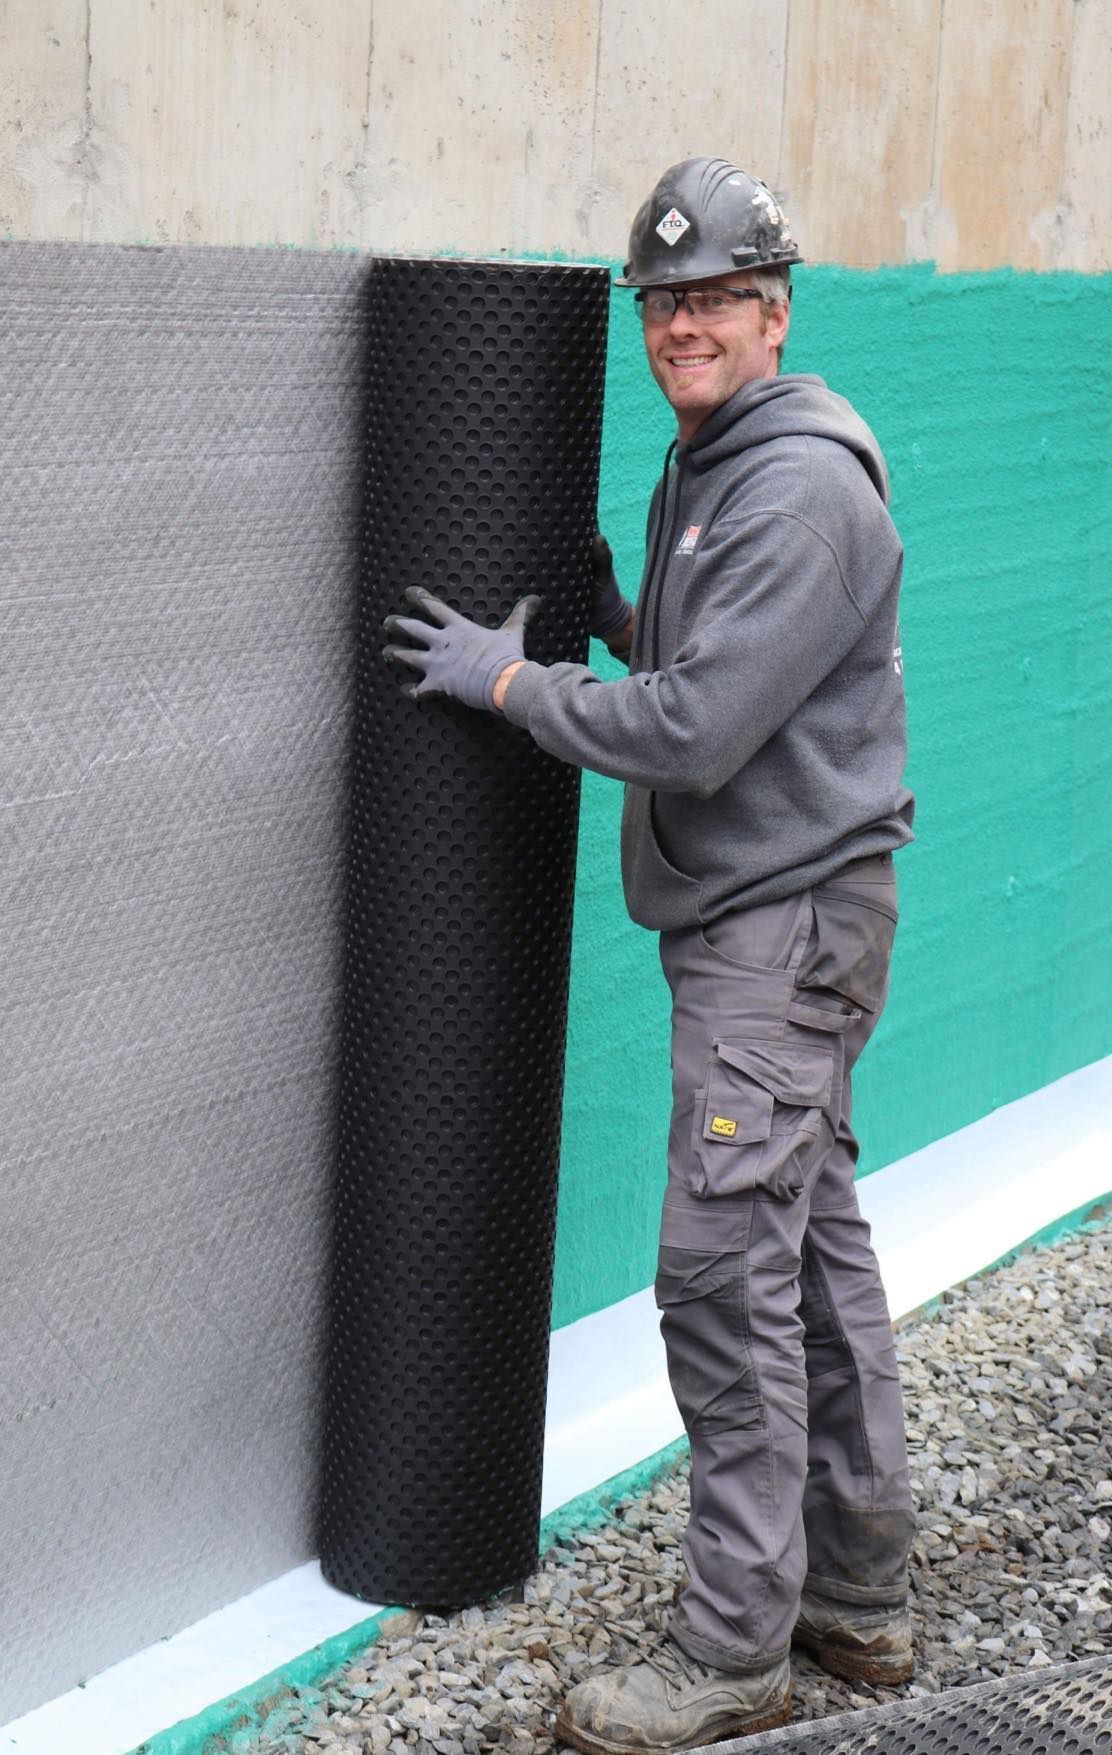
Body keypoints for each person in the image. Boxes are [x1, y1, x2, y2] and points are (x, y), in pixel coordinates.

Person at [384, 156, 917, 1755]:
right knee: (810, 1252)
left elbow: (694, 730)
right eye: (660, 303)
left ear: (774, 311)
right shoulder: (719, 451)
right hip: (783, 924)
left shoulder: (795, 484)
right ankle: (857, 1598)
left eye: (712, 301)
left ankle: (732, 1651)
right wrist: (616, 610)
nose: (681, 324)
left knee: (718, 1278)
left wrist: (501, 685)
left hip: (778, 931)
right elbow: (720, 664)